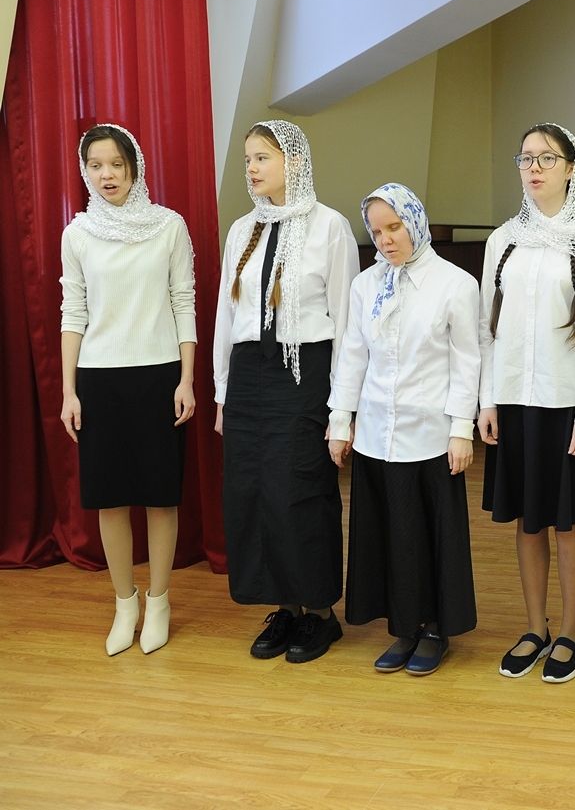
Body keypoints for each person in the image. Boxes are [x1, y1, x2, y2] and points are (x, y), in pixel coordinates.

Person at [478, 122, 575, 684]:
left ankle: (570, 633)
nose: (534, 168)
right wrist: (487, 401)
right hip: (514, 399)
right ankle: (534, 627)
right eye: (526, 158)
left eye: (546, 158)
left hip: (568, 405)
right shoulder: (502, 240)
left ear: (570, 168)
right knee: (528, 519)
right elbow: (488, 329)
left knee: (567, 522)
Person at [213, 120, 357, 664]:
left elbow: (346, 324)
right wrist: (222, 392)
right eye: (248, 159)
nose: (251, 169)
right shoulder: (241, 230)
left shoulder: (330, 226)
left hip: (304, 374)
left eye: (262, 158)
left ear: (293, 161)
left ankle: (320, 612)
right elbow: (227, 315)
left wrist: (342, 410)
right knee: (253, 492)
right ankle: (285, 608)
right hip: (249, 374)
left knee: (299, 491)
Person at [328, 183, 480, 675]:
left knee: (428, 537)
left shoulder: (455, 284)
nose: (386, 240)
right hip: (377, 435)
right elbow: (353, 355)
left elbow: (467, 362)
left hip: (430, 435)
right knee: (391, 536)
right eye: (376, 232)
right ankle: (404, 627)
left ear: (415, 221)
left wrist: (462, 429)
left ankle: (434, 629)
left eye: (394, 227)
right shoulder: (366, 285)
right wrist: (340, 420)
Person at [60, 123, 197, 656]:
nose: (106, 175)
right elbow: (73, 312)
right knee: (110, 499)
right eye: (95, 165)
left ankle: (159, 600)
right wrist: (69, 391)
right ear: (85, 172)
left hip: (160, 373)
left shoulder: (169, 226)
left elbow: (183, 301)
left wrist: (187, 379)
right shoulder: (77, 233)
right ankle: (125, 603)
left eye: (116, 164)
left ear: (134, 167)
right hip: (98, 378)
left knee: (161, 497)